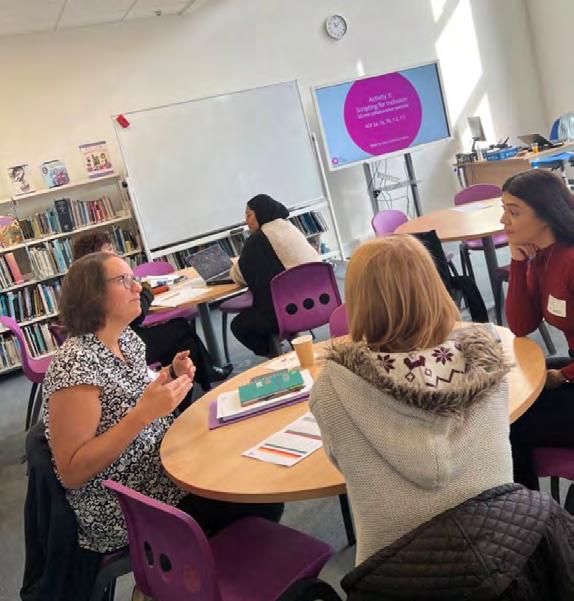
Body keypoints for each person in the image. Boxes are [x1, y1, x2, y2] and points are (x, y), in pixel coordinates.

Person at [42, 252, 283, 557]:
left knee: (249, 466)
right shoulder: (75, 366)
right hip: (130, 504)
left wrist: (170, 375)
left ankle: (223, 564)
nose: (138, 287)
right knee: (258, 495)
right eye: (124, 280)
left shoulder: (125, 339)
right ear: (92, 295)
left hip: (164, 467)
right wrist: (142, 415)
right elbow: (72, 471)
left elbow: (132, 394)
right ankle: (205, 571)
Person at [309, 235, 513, 565]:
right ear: (435, 287)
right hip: (502, 552)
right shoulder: (488, 364)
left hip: (394, 573)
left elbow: (341, 462)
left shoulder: (334, 389)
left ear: (357, 303)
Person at [71, 231, 232, 391]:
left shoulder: (88, 287)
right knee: (180, 330)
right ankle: (204, 376)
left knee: (182, 341)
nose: (115, 254)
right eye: (109, 250)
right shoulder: (102, 292)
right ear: (94, 259)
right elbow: (137, 316)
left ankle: (194, 383)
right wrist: (147, 293)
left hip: (127, 339)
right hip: (122, 344)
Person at [501, 169, 574, 489]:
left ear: (546, 213)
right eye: (503, 210)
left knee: (509, 422)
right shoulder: (543, 256)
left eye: (514, 212)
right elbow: (521, 325)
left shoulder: (570, 260)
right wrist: (518, 263)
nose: (503, 220)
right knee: (509, 388)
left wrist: (564, 376)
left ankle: (528, 513)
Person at [230, 194, 318, 356]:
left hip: (290, 309)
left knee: (239, 325)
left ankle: (277, 356)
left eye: (249, 214)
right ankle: (294, 340)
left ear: (261, 212)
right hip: (318, 301)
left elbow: (239, 276)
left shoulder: (259, 239)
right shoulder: (289, 227)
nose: (246, 221)